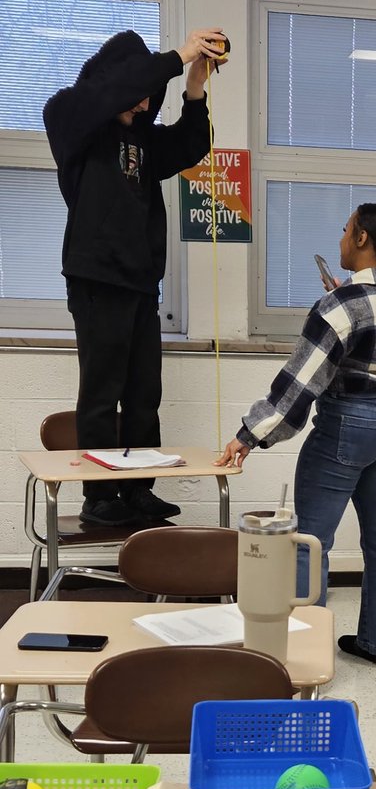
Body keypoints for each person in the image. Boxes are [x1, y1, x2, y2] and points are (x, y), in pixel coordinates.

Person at [215, 204, 376, 666]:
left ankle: (300, 657)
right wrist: (347, 307)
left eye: (346, 229)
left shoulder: (338, 307)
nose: (341, 238)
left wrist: (249, 434)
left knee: (310, 541)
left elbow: (299, 383)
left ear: (363, 238)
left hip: (349, 424)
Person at [43, 27, 226, 526]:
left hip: (142, 283)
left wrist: (194, 86)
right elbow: (111, 92)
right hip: (97, 279)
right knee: (101, 394)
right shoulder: (70, 117)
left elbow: (192, 144)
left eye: (150, 98)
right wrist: (179, 53)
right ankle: (100, 496)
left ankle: (138, 488)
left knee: (144, 395)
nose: (145, 104)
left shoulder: (143, 137)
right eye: (139, 94)